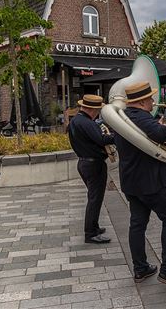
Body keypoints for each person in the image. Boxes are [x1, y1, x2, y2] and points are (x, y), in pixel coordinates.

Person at [114, 82, 166, 288]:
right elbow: (158, 135)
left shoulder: (123, 117)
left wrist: (158, 125)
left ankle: (140, 268)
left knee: (137, 224)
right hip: (153, 181)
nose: (152, 101)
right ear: (140, 101)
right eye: (149, 98)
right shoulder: (141, 117)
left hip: (132, 181)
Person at [69, 94, 115, 244]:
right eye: (97, 110)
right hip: (93, 164)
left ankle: (94, 228)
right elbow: (101, 140)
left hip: (84, 162)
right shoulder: (87, 123)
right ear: (92, 109)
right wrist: (117, 135)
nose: (98, 114)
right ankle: (90, 233)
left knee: (93, 197)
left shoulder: (76, 120)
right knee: (95, 199)